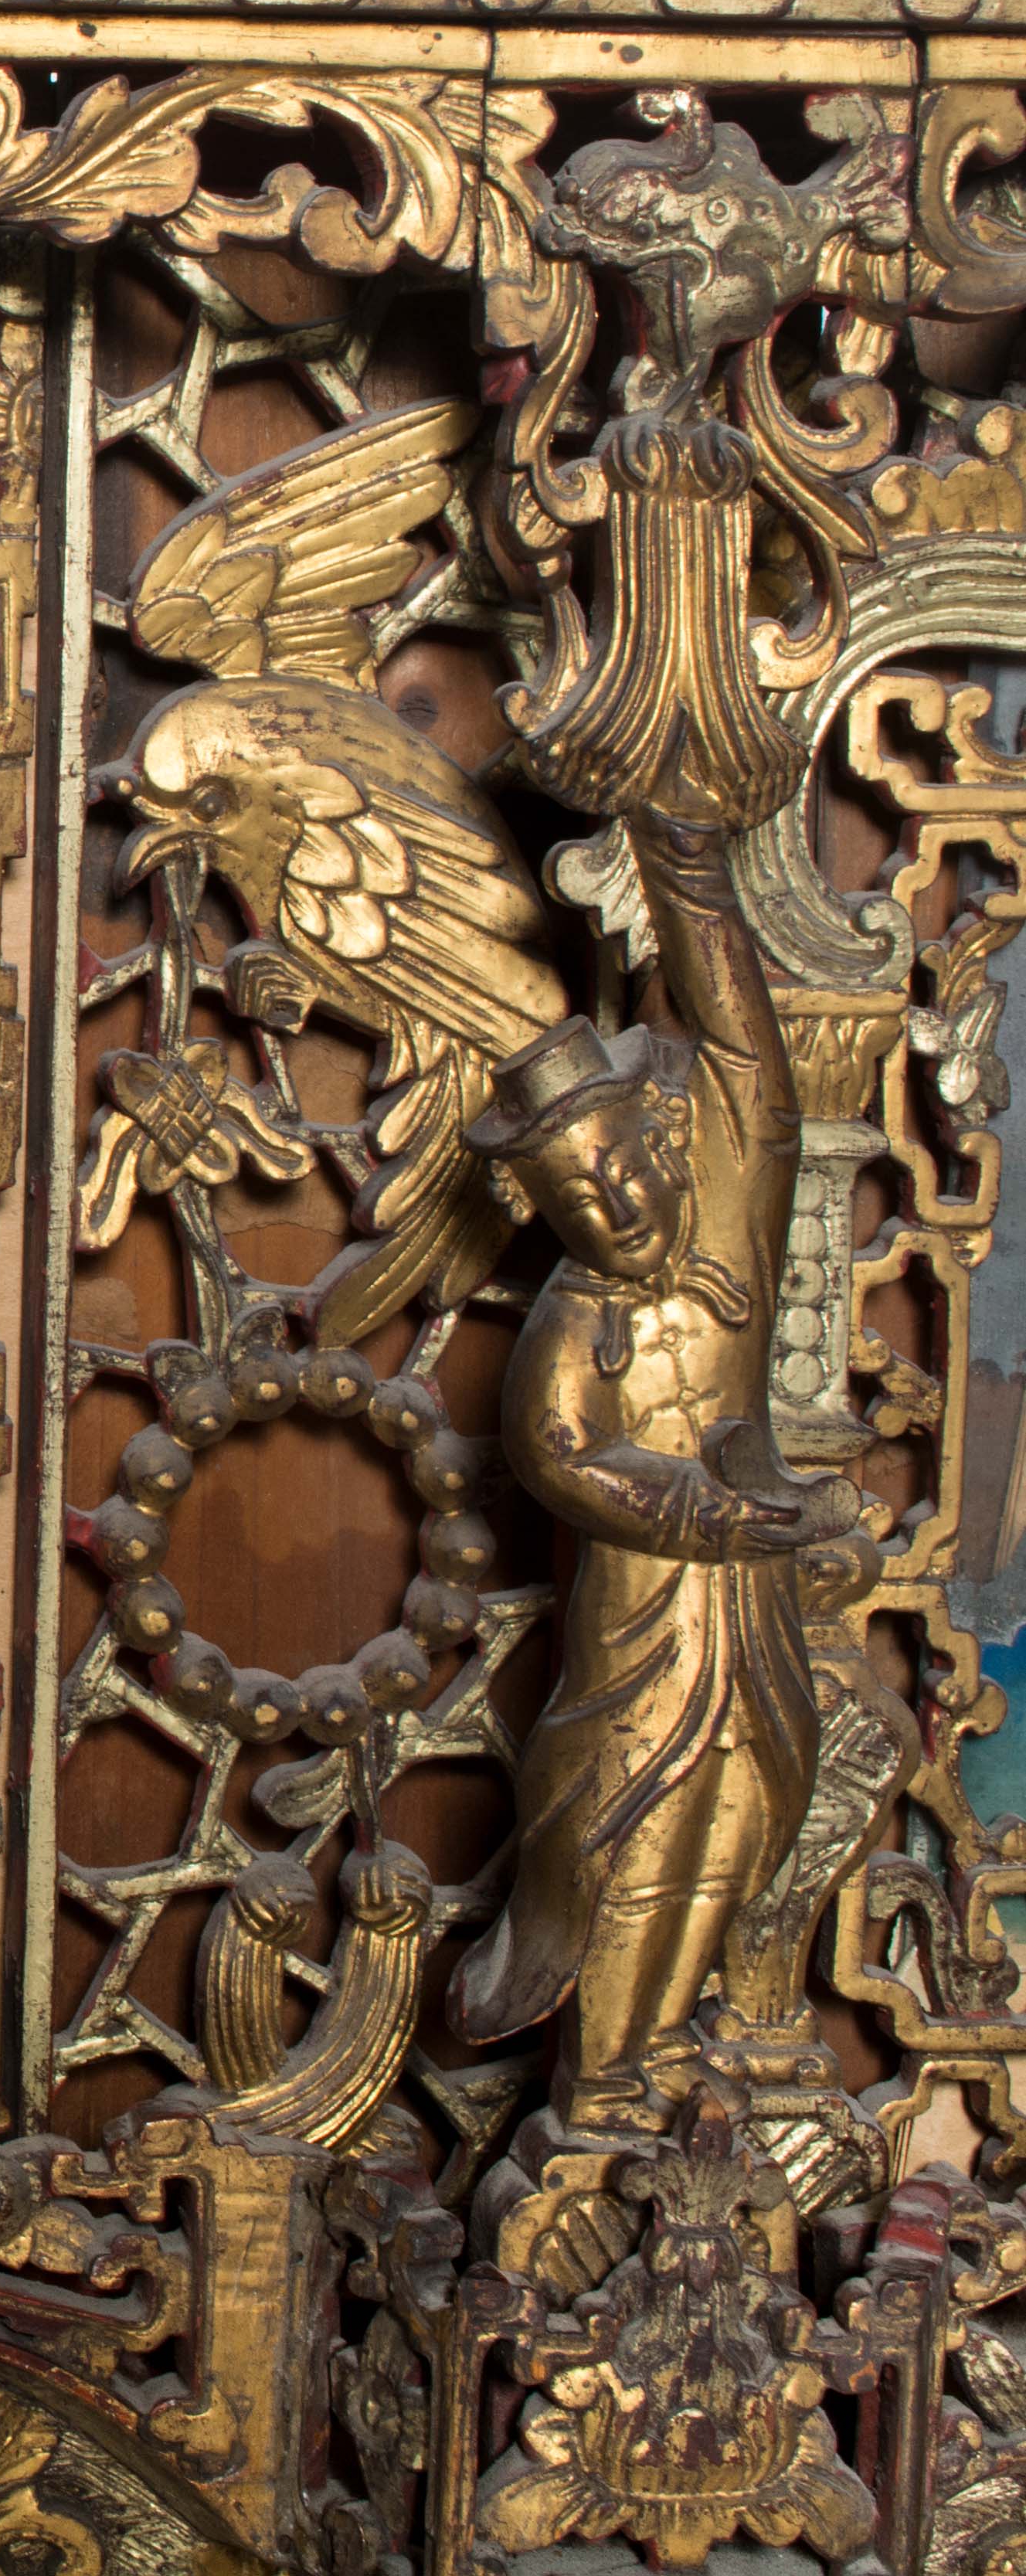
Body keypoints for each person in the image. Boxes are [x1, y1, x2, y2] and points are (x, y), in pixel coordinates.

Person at [450, 812, 857, 2108]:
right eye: (581, 1200)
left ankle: (664, 2046)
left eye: (625, 1173)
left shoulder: (727, 1237)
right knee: (622, 1831)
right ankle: (607, 2073)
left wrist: (693, 880)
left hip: (748, 1623)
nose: (615, 1208)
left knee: (738, 1817)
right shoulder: (580, 1318)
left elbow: (751, 1057)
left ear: (666, 1147)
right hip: (640, 1636)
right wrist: (696, 1508)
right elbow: (559, 1454)